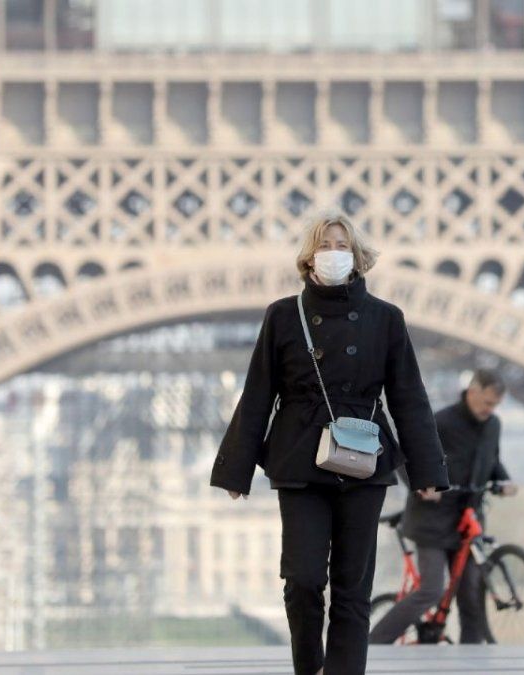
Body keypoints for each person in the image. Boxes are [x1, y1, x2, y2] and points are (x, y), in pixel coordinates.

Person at [210, 210, 449, 675]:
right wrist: (236, 470)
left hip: (362, 458)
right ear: (308, 257)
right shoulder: (283, 316)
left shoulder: (386, 319)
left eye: (342, 246)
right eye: (325, 245)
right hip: (300, 458)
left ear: (357, 256)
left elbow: (409, 398)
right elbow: (259, 392)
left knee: (352, 588)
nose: (333, 254)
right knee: (301, 580)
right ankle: (309, 667)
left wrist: (427, 473)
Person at [368, 369, 517, 645]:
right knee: (431, 589)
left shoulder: (494, 425)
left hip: (468, 518)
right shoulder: (442, 422)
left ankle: (473, 656)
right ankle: (374, 643)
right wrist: (422, 486)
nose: (490, 410)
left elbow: (492, 460)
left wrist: (504, 481)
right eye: (486, 403)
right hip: (432, 520)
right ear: (472, 392)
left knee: (472, 592)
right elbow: (406, 456)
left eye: (495, 405)